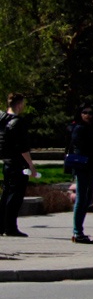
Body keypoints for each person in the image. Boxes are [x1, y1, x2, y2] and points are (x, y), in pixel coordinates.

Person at [0, 92, 36, 237]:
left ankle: (2, 225)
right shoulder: (18, 122)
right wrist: (31, 165)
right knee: (15, 196)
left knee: (6, 194)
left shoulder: (2, 120)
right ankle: (10, 227)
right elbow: (23, 148)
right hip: (17, 164)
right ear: (19, 104)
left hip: (6, 162)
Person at [65, 104, 93, 244]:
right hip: (82, 166)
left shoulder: (90, 128)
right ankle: (77, 231)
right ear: (80, 114)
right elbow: (78, 147)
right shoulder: (78, 128)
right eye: (85, 112)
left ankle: (79, 230)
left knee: (86, 199)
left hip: (89, 167)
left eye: (90, 113)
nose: (88, 115)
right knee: (81, 198)